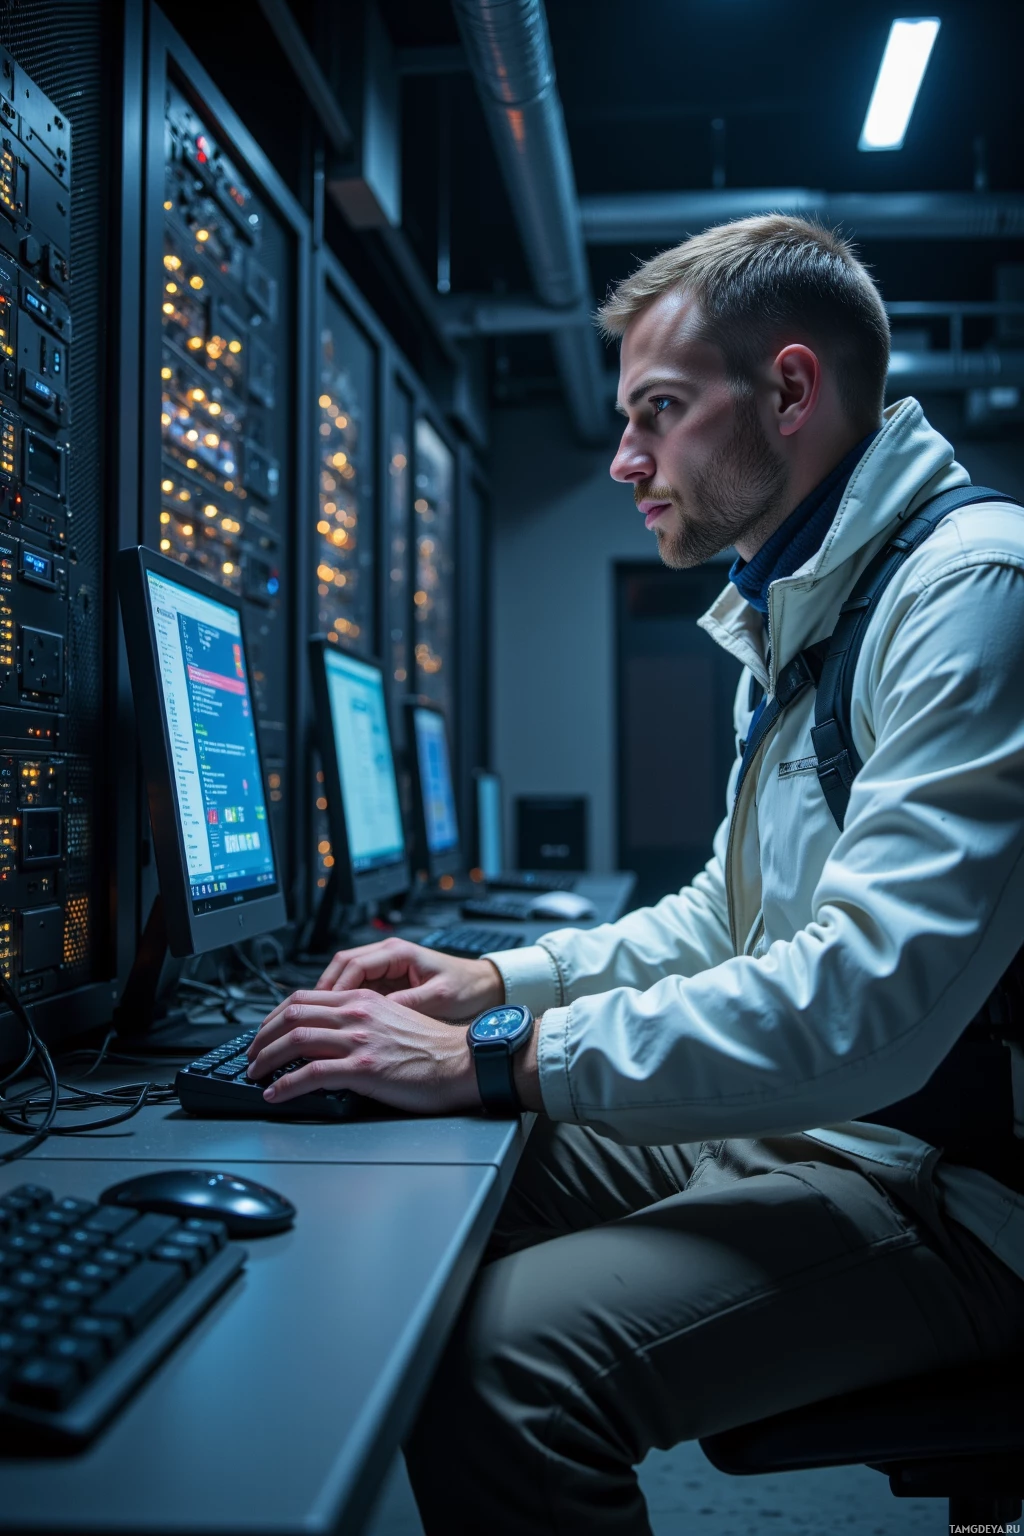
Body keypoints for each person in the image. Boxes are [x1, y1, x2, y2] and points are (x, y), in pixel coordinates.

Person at [246, 215, 1024, 1534]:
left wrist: (495, 1054)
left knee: (503, 1373)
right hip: (809, 1134)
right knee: (373, 1142)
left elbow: (866, 1003)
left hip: (947, 1189)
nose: (623, 461)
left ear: (789, 390)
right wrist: (484, 981)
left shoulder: (972, 591)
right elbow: (724, 921)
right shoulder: (811, 608)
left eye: (658, 412)